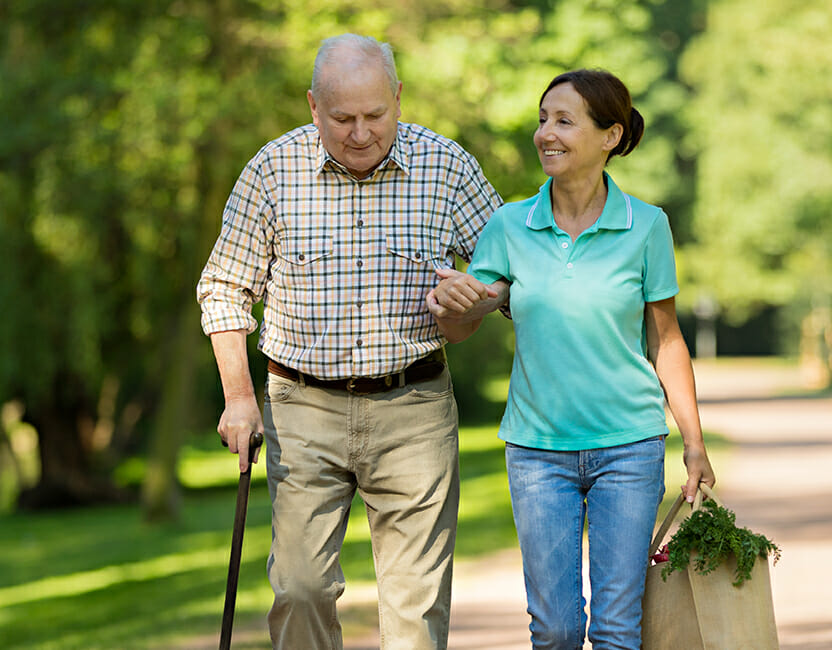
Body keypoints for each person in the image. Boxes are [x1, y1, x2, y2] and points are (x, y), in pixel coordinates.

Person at [196, 33, 507, 649]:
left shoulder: (447, 166)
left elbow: (509, 274)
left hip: (413, 407)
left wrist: (476, 299)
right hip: (301, 406)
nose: (360, 133)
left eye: (375, 115)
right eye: (342, 118)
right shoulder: (272, 170)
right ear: (314, 105)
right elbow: (224, 288)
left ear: (398, 97)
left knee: (416, 609)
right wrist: (237, 396)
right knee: (300, 588)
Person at [427, 69, 715, 650]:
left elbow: (666, 339)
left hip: (628, 445)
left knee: (616, 626)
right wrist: (451, 305)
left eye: (564, 121)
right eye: (542, 120)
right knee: (555, 628)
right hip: (538, 453)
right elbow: (461, 326)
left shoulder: (647, 226)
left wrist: (693, 439)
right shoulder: (510, 224)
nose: (545, 134)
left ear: (610, 136)